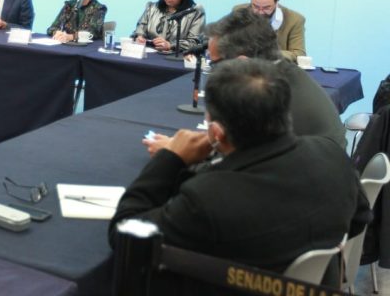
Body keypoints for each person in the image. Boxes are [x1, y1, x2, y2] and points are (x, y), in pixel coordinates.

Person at [110, 58, 369, 292]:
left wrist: (171, 158)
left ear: (216, 132)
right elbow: (358, 218)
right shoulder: (332, 156)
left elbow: (125, 235)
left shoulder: (207, 199)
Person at [144, 7, 346, 151]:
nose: (213, 72)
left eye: (215, 64)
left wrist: (175, 155)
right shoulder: (284, 75)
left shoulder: (270, 99)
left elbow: (237, 162)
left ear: (241, 62)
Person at [133, 0, 205, 53]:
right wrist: (139, 37)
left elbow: (195, 43)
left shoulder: (195, 12)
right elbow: (139, 31)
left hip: (178, 60)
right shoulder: (151, 8)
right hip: (150, 56)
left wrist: (170, 45)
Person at [234, 0, 305, 62]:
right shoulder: (238, 11)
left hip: (277, 71)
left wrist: (267, 55)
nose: (260, 12)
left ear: (276, 2)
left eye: (266, 8)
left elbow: (299, 54)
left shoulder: (295, 20)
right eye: (255, 6)